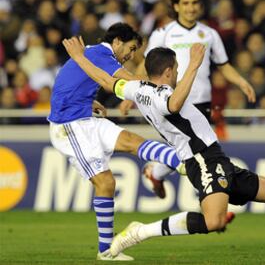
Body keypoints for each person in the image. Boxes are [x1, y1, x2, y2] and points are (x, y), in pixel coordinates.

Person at [62, 36, 265, 259]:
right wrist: (195, 64)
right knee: (214, 221)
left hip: (216, 158)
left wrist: (79, 58)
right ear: (169, 70)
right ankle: (141, 232)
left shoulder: (136, 88)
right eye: (178, 68)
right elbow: (174, 103)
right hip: (202, 160)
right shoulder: (161, 94)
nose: (180, 72)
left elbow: (104, 79)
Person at [48, 23, 185, 261]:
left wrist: (86, 101)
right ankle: (106, 251)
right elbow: (131, 83)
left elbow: (65, 82)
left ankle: (185, 162)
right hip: (70, 126)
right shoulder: (102, 54)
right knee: (106, 183)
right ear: (117, 42)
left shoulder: (91, 53)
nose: (130, 56)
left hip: (85, 116)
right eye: (131, 49)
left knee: (133, 141)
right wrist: (158, 91)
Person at [130, 0, 257, 197]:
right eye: (186, 3)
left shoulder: (209, 34)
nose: (191, 7)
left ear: (200, 6)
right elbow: (146, 65)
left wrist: (241, 82)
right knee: (194, 151)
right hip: (173, 101)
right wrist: (132, 92)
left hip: (202, 101)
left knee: (193, 151)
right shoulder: (163, 33)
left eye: (194, 3)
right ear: (176, 6)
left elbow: (223, 65)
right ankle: (210, 198)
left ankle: (157, 172)